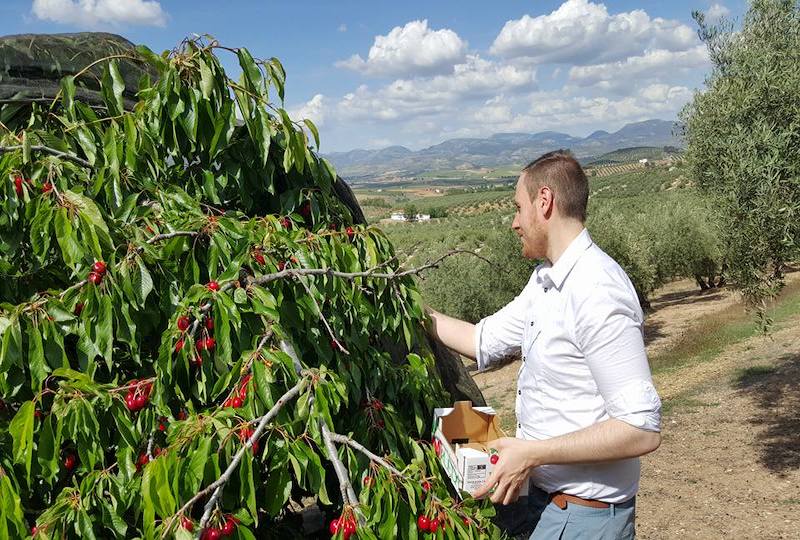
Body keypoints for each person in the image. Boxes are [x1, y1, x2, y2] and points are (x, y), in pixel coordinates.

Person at [426, 150, 662, 539]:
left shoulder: (597, 290)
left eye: (519, 208)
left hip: (585, 519)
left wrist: (532, 453)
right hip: (548, 506)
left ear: (545, 202)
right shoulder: (545, 282)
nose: (515, 223)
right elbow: (480, 339)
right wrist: (410, 308)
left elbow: (641, 428)